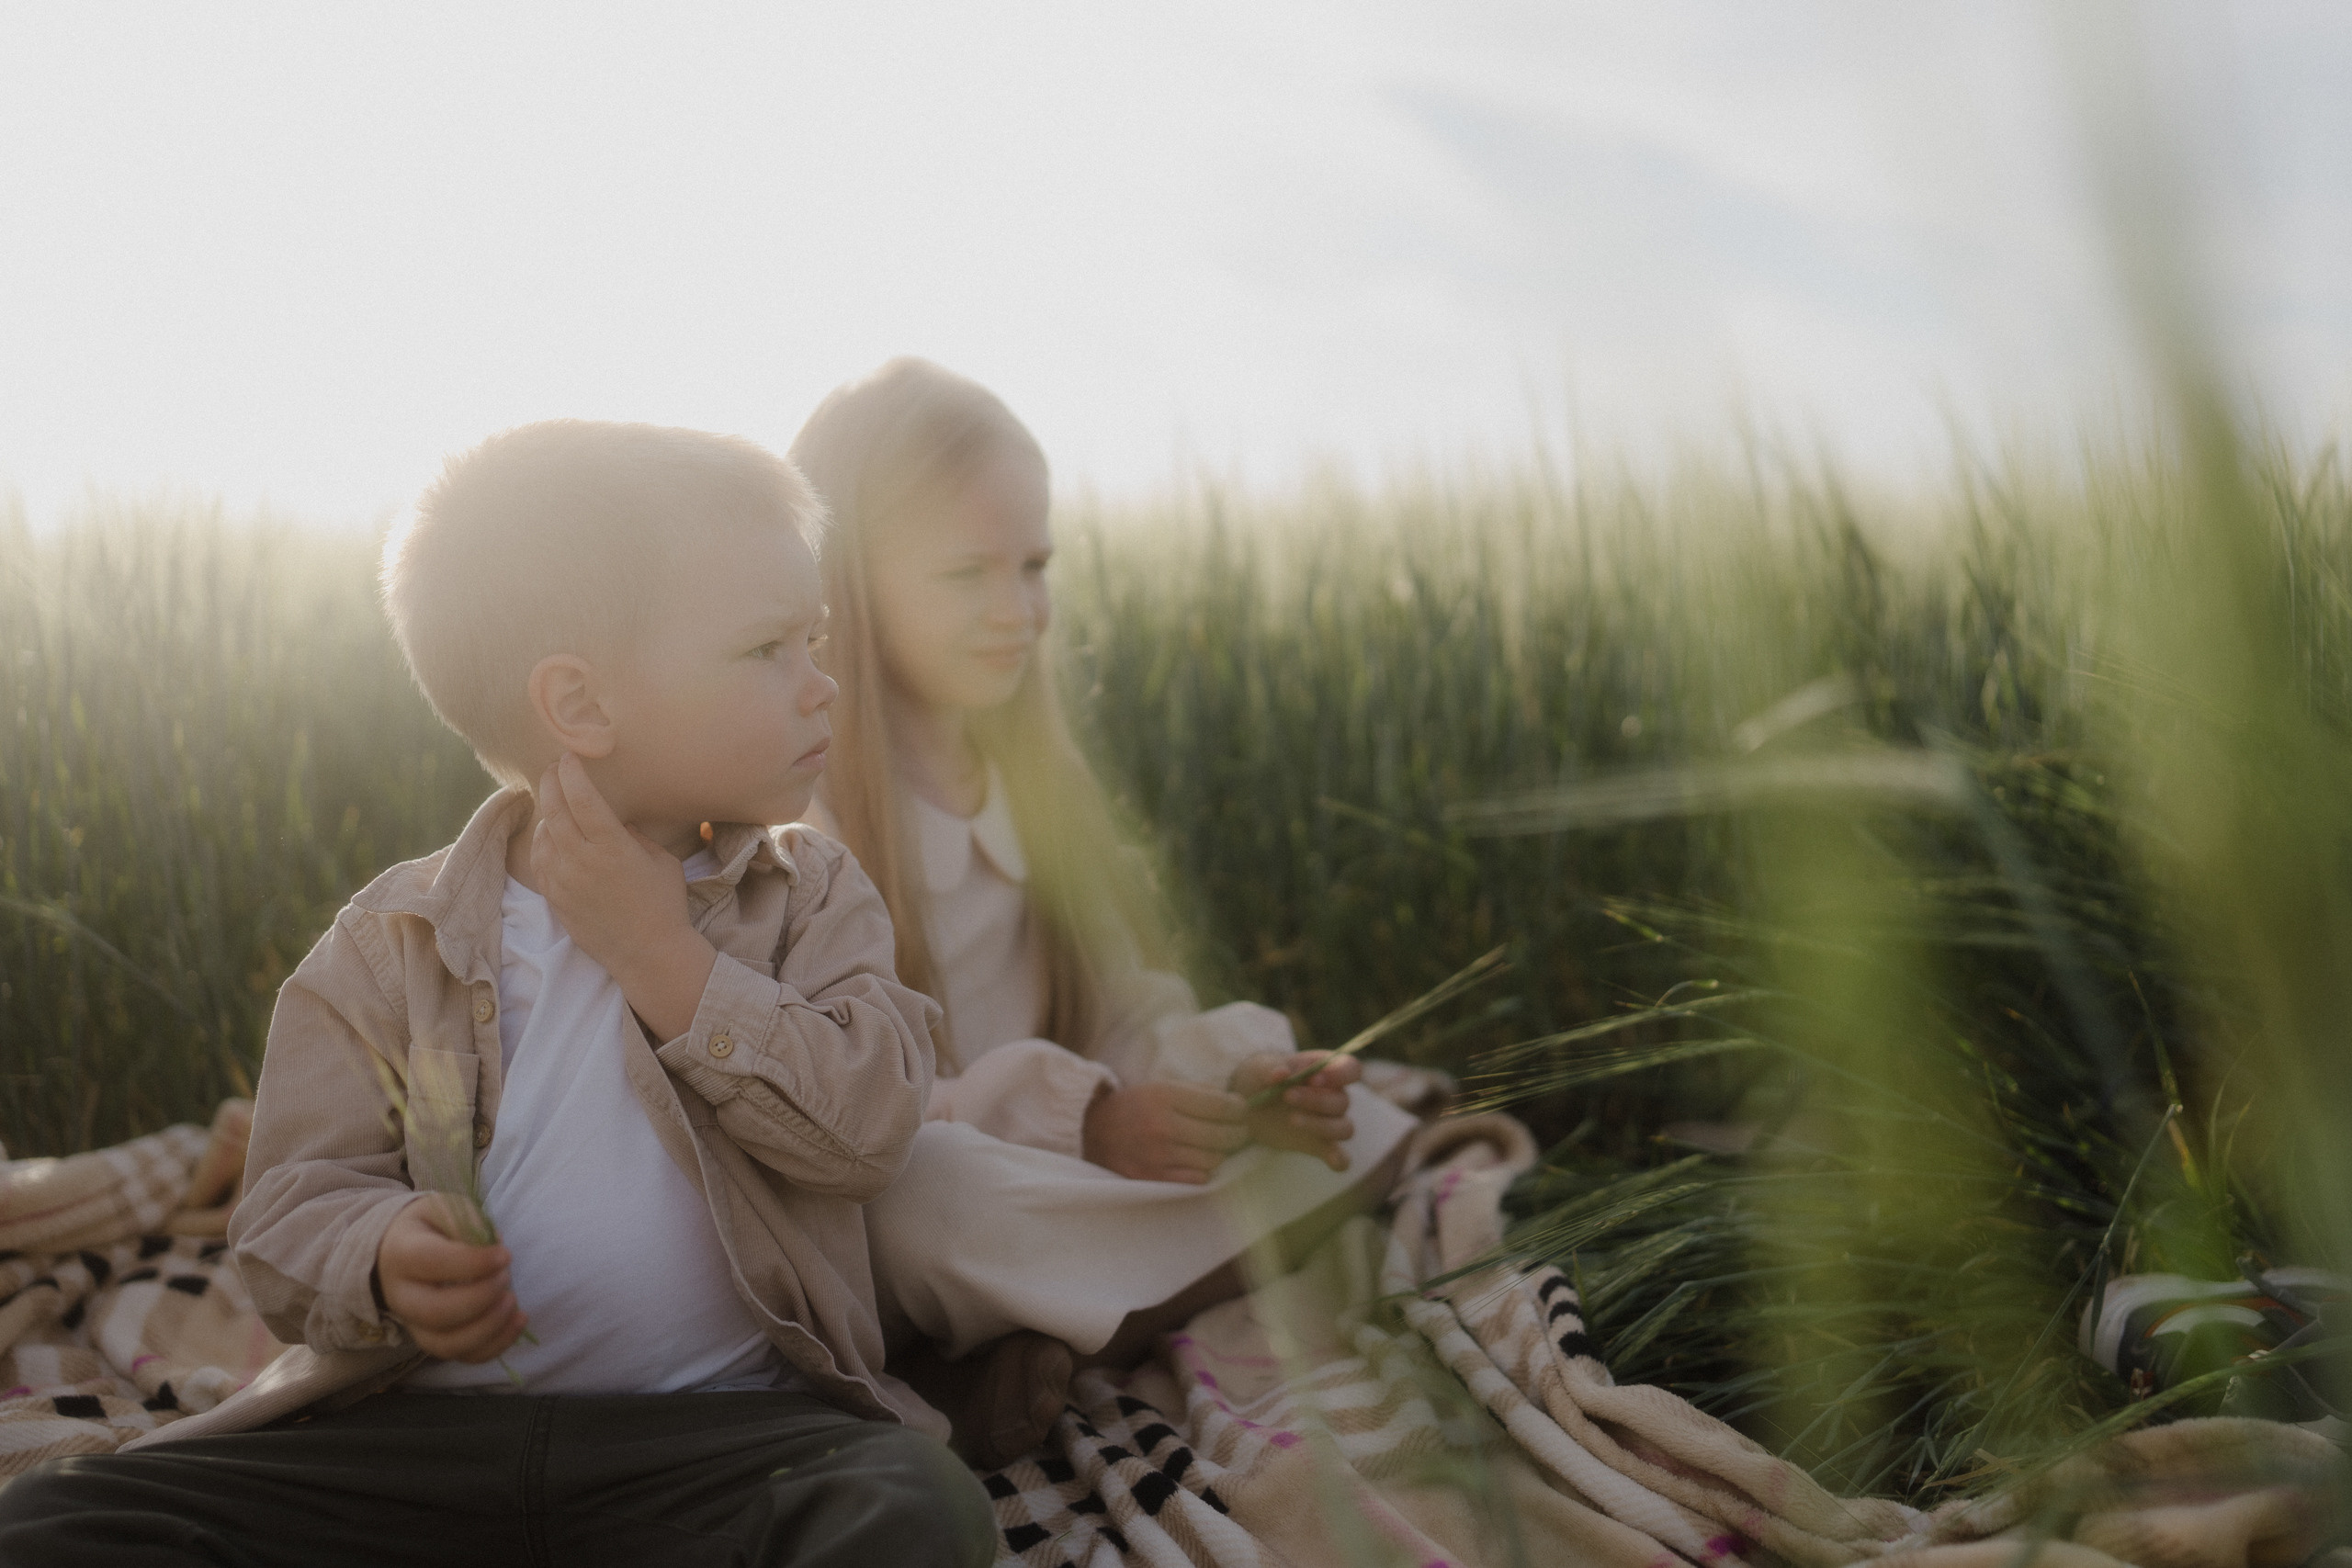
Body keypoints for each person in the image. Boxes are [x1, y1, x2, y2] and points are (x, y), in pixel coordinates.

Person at [0, 421, 997, 1567]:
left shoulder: (811, 895)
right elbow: (284, 1214)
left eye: (816, 639)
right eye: (771, 647)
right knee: (53, 1525)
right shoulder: (387, 945)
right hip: (414, 1444)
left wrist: (665, 958)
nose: (824, 686)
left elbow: (867, 1132)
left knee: (909, 1505)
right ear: (580, 706)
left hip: (725, 1439)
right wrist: (380, 1253)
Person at [788, 359, 1422, 1465]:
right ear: (845, 584)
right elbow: (832, 1114)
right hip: (928, 1191)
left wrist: (1210, 1095)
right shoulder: (809, 824)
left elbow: (1121, 1009)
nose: (1017, 611)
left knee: (1349, 1112)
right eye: (965, 574)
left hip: (1082, 1180)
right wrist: (1075, 1122)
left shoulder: (1043, 790)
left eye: (1033, 567)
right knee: (931, 1203)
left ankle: (1054, 1332)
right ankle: (1061, 1319)